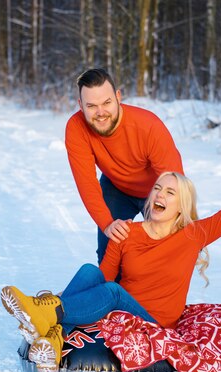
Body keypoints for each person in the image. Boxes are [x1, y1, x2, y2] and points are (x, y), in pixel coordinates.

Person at [1, 138, 221, 372]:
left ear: (181, 206)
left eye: (170, 192)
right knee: (89, 272)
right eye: (157, 188)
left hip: (154, 322)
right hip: (121, 313)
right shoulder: (127, 232)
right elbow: (103, 279)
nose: (160, 194)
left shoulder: (193, 234)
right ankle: (53, 338)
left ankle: (46, 312)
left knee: (113, 291)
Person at [65, 68, 184, 264]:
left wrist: (179, 222)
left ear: (118, 97)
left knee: (164, 255)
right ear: (80, 105)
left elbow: (176, 181)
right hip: (116, 187)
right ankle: (105, 292)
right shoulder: (76, 128)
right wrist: (107, 224)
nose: (101, 113)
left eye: (106, 103)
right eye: (92, 106)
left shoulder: (148, 126)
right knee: (109, 254)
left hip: (157, 190)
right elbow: (86, 183)